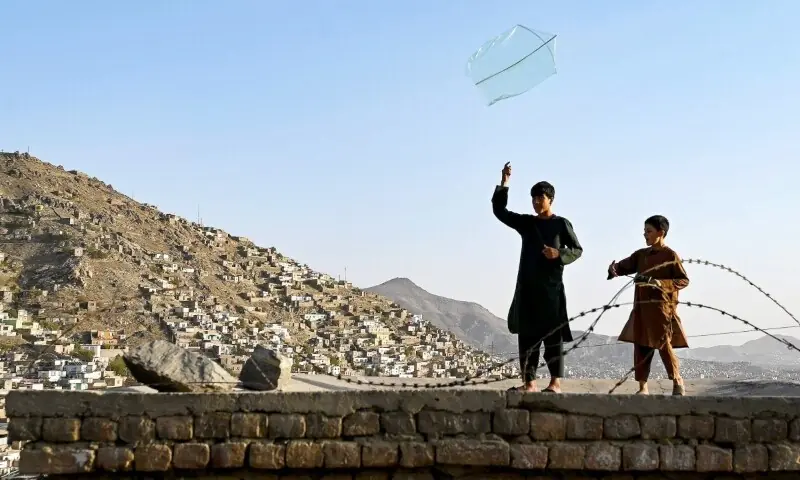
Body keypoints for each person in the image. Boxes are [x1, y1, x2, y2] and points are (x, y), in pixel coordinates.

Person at [492, 162, 583, 393]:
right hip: (528, 291)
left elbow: (577, 250)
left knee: (553, 339)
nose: (535, 202)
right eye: (532, 198)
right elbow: (500, 212)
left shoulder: (561, 224)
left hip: (551, 291)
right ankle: (529, 383)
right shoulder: (527, 223)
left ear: (550, 199)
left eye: (539, 198)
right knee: (527, 339)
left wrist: (559, 254)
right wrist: (505, 182)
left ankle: (555, 383)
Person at [607, 215, 690, 395]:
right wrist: (614, 270)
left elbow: (683, 280)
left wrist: (660, 283)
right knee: (641, 346)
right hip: (641, 308)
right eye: (644, 231)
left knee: (664, 345)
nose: (645, 235)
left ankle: (677, 380)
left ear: (661, 233)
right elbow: (623, 266)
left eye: (649, 231)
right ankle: (643, 387)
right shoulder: (641, 255)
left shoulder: (670, 255)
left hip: (662, 309)